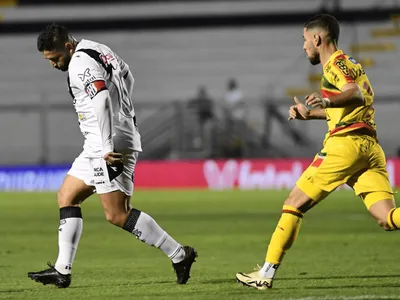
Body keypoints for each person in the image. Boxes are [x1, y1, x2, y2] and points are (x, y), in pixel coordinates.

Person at [236, 14, 399, 290]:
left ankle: (265, 274)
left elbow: (355, 94)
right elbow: (351, 106)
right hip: (368, 147)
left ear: (317, 39)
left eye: (304, 40)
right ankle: (264, 273)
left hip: (344, 146)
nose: (303, 47)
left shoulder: (334, 66)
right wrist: (310, 114)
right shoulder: (351, 63)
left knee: (293, 202)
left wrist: (326, 98)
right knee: (387, 219)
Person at [28, 24, 197, 288]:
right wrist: (125, 111)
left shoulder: (79, 63)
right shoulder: (97, 48)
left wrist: (108, 144)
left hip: (107, 145)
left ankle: (179, 254)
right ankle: (62, 270)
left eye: (55, 58)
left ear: (68, 47)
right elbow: (127, 75)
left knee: (118, 214)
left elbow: (102, 99)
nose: (53, 64)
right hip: (99, 142)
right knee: (67, 196)